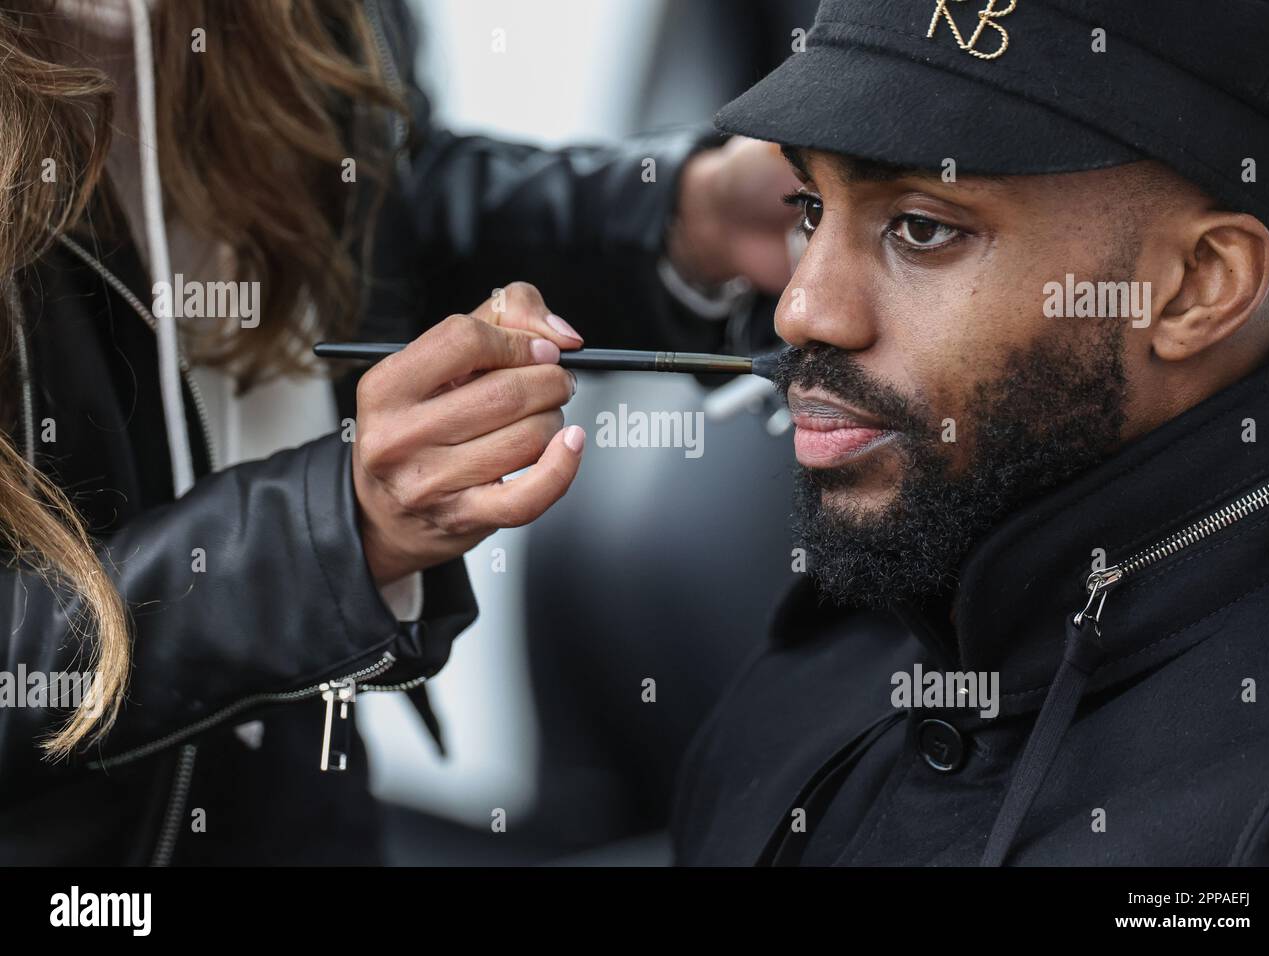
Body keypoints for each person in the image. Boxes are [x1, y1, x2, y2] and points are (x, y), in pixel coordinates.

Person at [0, 0, 796, 864]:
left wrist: (678, 219)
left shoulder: (321, 16)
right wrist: (329, 538)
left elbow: (377, 207)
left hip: (307, 809)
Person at [672, 0, 1269, 865]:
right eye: (810, 207)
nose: (801, 308)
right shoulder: (852, 633)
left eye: (922, 229)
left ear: (1197, 285)